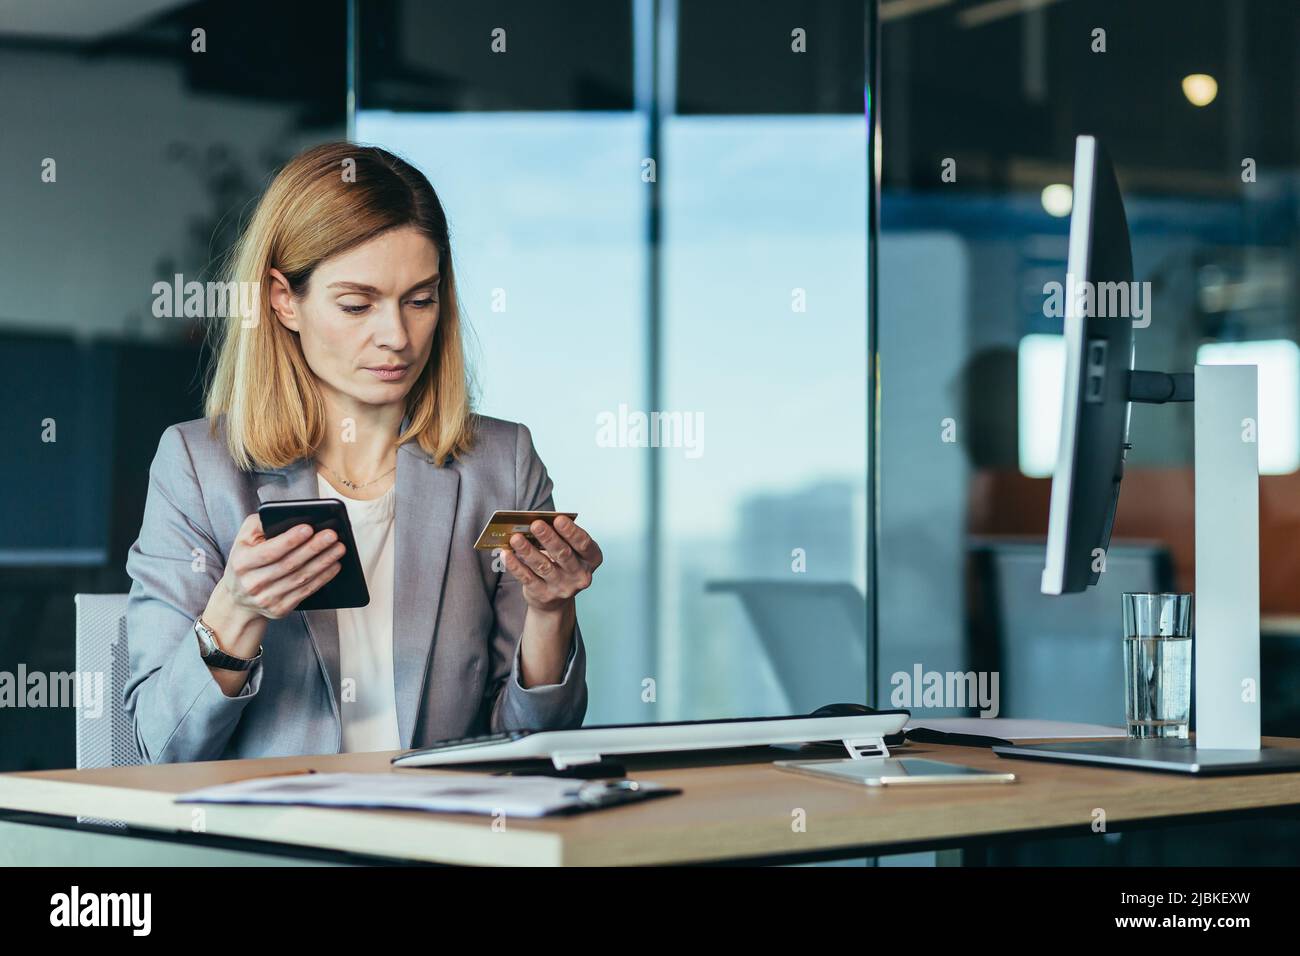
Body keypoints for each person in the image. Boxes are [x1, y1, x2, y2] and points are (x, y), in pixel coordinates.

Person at [124, 142, 598, 763]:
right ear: (282, 299)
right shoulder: (199, 468)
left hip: (445, 839)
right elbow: (164, 747)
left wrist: (550, 611)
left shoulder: (500, 465)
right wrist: (237, 612)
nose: (396, 336)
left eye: (419, 300)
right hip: (280, 846)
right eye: (357, 304)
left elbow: (534, 748)